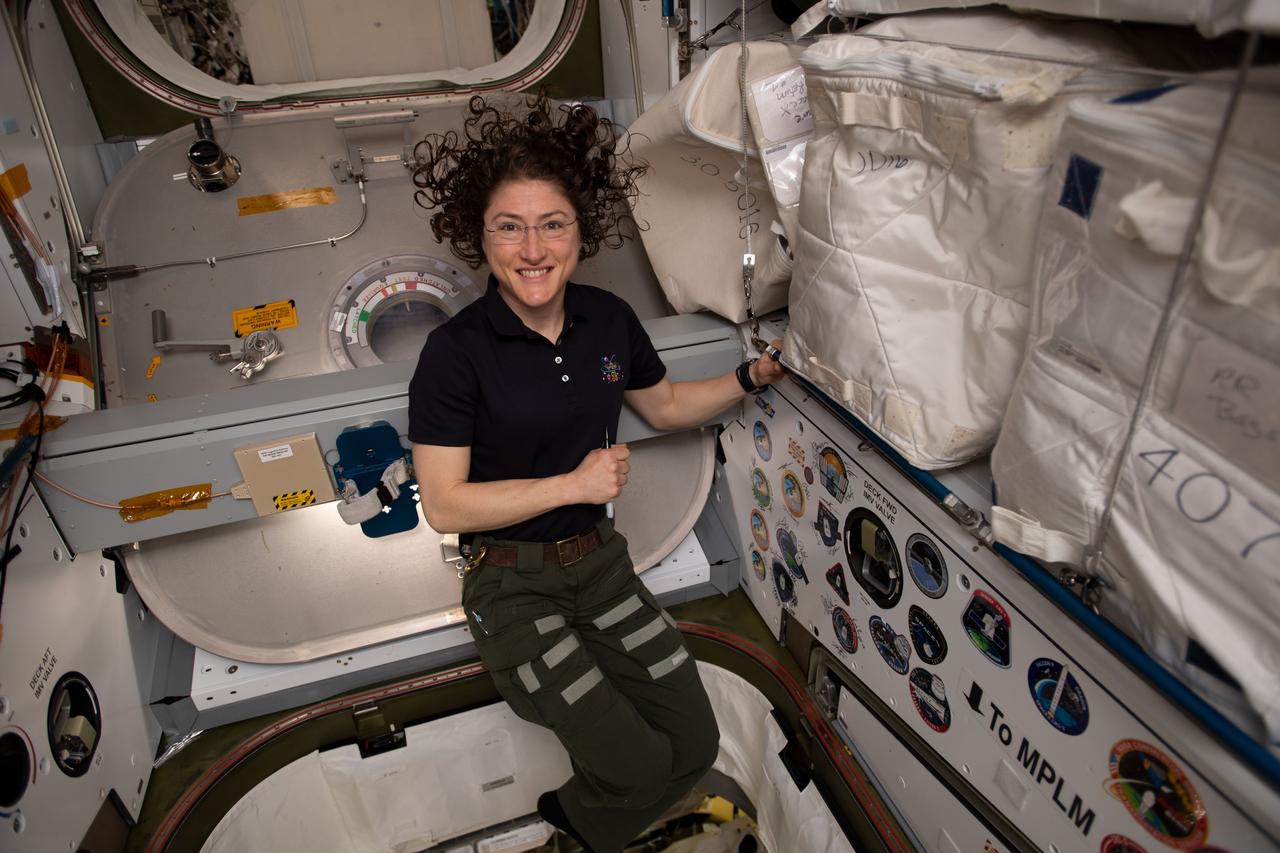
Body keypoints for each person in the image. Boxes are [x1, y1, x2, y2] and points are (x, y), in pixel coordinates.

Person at [407, 94, 784, 853]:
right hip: (512, 587)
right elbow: (444, 506)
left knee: (695, 740)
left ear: (582, 231)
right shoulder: (455, 353)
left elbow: (669, 402)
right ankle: (573, 832)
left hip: (601, 569)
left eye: (553, 224)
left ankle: (591, 820)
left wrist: (756, 374)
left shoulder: (609, 322)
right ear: (480, 238)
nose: (533, 247)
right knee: (641, 767)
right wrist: (574, 486)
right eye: (509, 227)